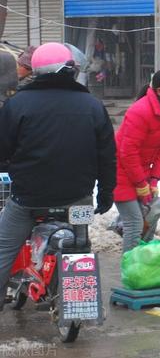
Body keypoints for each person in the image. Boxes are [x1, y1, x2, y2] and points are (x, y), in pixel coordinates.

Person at [0, 42, 116, 310]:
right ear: (72, 70)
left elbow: (3, 148)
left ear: (36, 71)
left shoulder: (18, 104)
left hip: (28, 199)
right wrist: (106, 192)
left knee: (4, 249)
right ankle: (78, 298)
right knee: (80, 243)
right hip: (79, 199)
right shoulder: (93, 105)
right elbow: (107, 156)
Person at [114, 69, 160, 253]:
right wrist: (140, 183)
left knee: (149, 219)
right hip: (120, 171)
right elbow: (127, 152)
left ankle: (144, 264)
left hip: (141, 172)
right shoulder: (140, 112)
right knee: (135, 223)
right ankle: (130, 268)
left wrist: (153, 180)